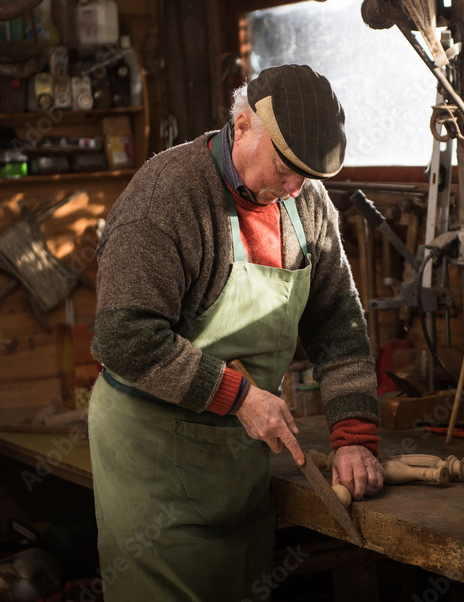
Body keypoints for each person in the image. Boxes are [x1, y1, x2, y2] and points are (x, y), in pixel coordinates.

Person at [88, 64, 385, 600]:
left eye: (306, 176)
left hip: (239, 465)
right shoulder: (168, 196)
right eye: (285, 168)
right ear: (242, 125)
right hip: (152, 462)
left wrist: (354, 436)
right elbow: (123, 338)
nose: (294, 189)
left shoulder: (305, 201)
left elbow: (338, 321)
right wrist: (241, 397)